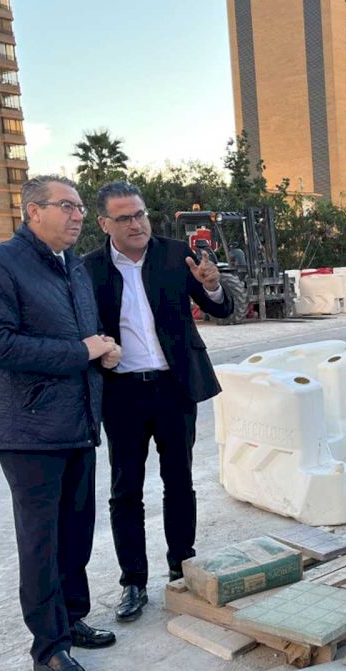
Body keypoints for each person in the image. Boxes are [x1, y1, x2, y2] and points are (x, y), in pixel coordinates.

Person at [0, 175, 120, 671]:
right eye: (67, 206)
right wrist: (81, 351)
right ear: (33, 211)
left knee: (76, 532)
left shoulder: (72, 266)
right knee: (41, 542)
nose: (79, 215)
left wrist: (103, 348)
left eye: (80, 207)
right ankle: (48, 649)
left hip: (78, 421)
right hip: (28, 428)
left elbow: (81, 335)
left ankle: (71, 620)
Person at [83, 181, 234, 622]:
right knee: (125, 490)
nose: (136, 225)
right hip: (122, 393)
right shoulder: (88, 269)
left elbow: (221, 309)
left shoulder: (176, 255)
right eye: (124, 218)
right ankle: (133, 581)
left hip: (174, 387)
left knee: (179, 481)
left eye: (140, 215)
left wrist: (214, 286)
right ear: (104, 223)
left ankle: (182, 567)